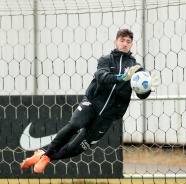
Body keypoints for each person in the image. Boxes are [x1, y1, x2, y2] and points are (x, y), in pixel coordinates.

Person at [20, 28, 158, 174]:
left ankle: (41, 156)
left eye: (128, 42)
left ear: (131, 45)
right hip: (92, 104)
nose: (125, 44)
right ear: (115, 42)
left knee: (74, 149)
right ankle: (46, 157)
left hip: (108, 116)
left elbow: (141, 95)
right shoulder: (105, 60)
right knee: (74, 125)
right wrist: (122, 77)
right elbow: (102, 77)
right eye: (122, 40)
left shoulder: (137, 68)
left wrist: (146, 89)